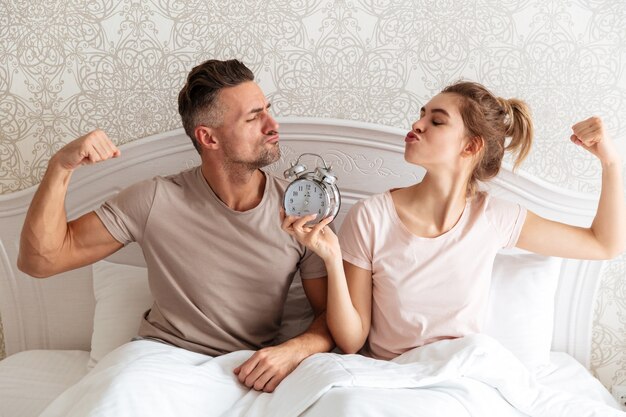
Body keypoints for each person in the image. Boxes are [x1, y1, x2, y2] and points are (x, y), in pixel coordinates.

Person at [18, 58, 333, 393]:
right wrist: (59, 167)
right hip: (157, 362)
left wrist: (294, 350)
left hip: (248, 374)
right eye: (254, 117)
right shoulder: (153, 199)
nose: (273, 125)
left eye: (268, 110)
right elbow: (40, 261)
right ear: (208, 138)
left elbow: (332, 315)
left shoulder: (300, 208)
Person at [283, 80, 625, 360]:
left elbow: (604, 244)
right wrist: (330, 256)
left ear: (471, 146)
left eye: (437, 121)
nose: (416, 124)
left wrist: (609, 162)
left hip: (463, 373)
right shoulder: (371, 216)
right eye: (421, 115)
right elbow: (351, 341)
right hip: (389, 377)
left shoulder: (494, 218)